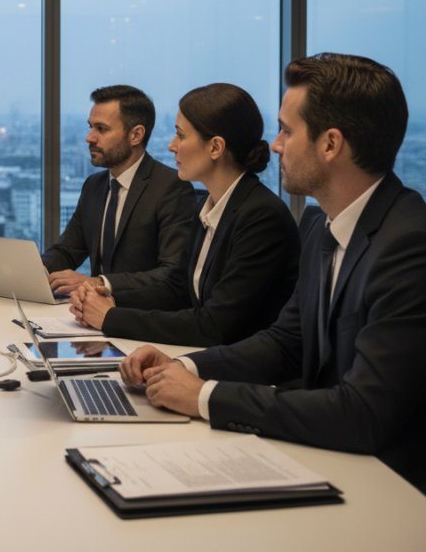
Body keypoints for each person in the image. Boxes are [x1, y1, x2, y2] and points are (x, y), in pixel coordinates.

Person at [120, 54, 426, 493]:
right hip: (326, 456)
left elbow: (363, 413)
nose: (276, 144)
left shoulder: (408, 246)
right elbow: (286, 343)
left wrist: (203, 396)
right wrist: (182, 366)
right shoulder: (323, 225)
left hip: (389, 490)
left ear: (331, 144)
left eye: (287, 130)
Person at [69, 83, 300, 347]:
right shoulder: (212, 206)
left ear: (215, 148)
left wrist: (111, 317)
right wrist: (105, 297)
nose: (171, 146)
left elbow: (213, 326)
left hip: (241, 375)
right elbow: (176, 289)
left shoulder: (261, 216)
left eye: (180, 135)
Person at [42, 85, 196, 295]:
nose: (90, 137)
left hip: (140, 317)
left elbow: (172, 272)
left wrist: (99, 283)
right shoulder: (93, 185)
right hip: (91, 316)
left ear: (136, 135)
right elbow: (67, 251)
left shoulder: (171, 187)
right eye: (90, 127)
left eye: (101, 129)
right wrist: (38, 271)